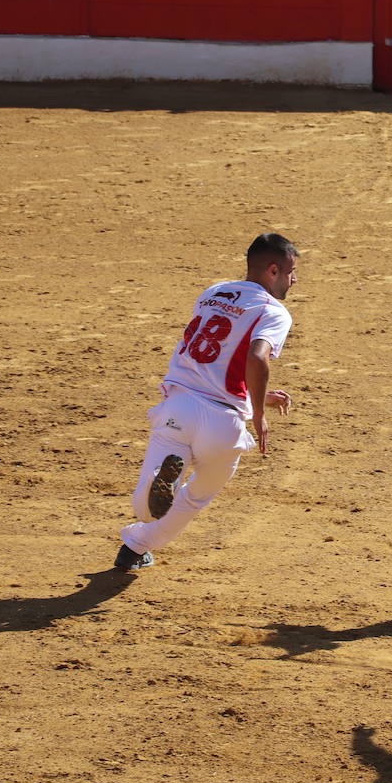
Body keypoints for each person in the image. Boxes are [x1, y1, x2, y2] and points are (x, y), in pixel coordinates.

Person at [113, 233, 298, 572]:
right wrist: (257, 413)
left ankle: (139, 536)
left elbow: (217, 357)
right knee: (196, 495)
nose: (294, 279)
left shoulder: (214, 292)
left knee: (148, 505)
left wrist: (256, 394)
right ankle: (139, 543)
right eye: (290, 271)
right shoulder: (275, 311)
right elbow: (256, 359)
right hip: (222, 424)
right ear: (273, 270)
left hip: (179, 407)